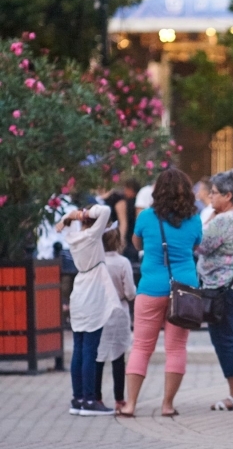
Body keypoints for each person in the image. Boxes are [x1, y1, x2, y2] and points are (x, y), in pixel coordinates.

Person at [117, 168, 203, 418]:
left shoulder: (146, 217)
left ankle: (131, 404)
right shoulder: (194, 219)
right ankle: (167, 405)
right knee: (176, 348)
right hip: (184, 289)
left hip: (151, 286)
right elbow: (195, 245)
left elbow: (136, 243)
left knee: (142, 347)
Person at [196, 169, 233, 411]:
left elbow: (201, 246)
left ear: (228, 196)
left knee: (225, 342)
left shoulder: (222, 220)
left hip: (222, 289)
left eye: (214, 193)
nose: (210, 197)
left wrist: (208, 220)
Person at [56, 204, 121, 416]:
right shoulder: (93, 237)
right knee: (90, 350)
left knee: (79, 348)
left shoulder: (73, 236)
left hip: (79, 291)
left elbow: (69, 220)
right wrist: (80, 213)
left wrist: (72, 216)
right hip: (92, 295)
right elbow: (104, 211)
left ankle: (78, 398)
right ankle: (90, 401)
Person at [95, 225, 135, 413]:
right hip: (119, 310)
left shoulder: (96, 261)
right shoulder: (123, 262)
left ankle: (96, 396)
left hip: (98, 309)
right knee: (118, 356)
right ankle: (119, 399)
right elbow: (130, 291)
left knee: (98, 356)